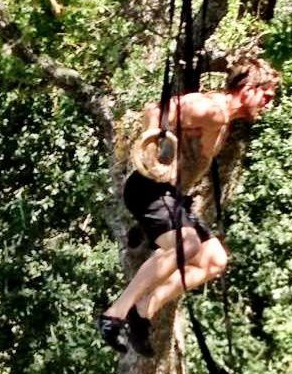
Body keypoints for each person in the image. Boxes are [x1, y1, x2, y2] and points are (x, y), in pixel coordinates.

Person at [97, 57, 279, 357]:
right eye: (266, 95)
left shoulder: (223, 119)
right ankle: (115, 313)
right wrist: (156, 152)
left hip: (170, 195)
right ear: (247, 88)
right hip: (148, 189)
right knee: (186, 244)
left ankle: (143, 310)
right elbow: (154, 110)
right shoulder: (211, 110)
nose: (268, 104)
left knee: (214, 259)